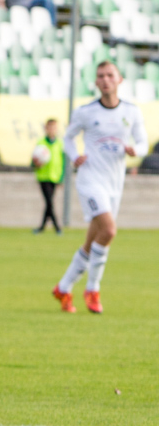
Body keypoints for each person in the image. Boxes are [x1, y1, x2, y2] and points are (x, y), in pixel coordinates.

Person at [50, 62, 146, 314]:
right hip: (90, 180)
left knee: (92, 241)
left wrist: (137, 150)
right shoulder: (85, 112)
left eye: (110, 75)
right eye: (100, 76)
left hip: (115, 182)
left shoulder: (131, 111)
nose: (105, 80)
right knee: (110, 231)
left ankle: (63, 287)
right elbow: (68, 138)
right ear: (95, 82)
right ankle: (92, 288)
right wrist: (74, 156)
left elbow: (144, 140)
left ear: (120, 79)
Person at [33, 118, 64, 235]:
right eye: (49, 127)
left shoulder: (60, 143)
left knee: (49, 203)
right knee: (49, 202)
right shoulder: (41, 142)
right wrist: (36, 163)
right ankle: (57, 227)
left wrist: (61, 177)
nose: (51, 130)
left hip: (55, 177)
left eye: (54, 128)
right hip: (43, 177)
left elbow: (63, 161)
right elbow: (33, 161)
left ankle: (41, 228)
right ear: (46, 128)